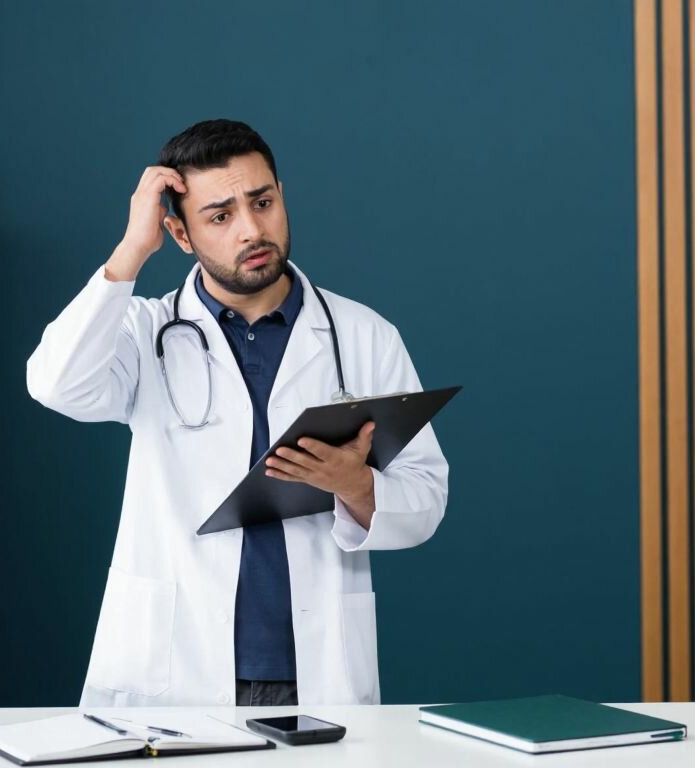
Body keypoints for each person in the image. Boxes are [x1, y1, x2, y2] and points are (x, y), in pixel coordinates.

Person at [27, 119, 448, 707]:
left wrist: (355, 484)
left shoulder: (363, 336)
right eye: (220, 216)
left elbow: (426, 499)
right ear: (178, 232)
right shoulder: (144, 331)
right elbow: (55, 384)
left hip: (316, 668)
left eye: (263, 202)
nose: (252, 229)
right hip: (173, 667)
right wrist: (130, 251)